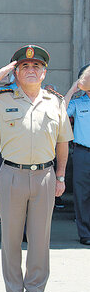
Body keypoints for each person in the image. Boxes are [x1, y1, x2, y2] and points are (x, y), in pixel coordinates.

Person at [0, 45, 73, 292]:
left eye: (37, 66)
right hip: (12, 174)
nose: (31, 70)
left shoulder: (55, 102)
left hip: (45, 176)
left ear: (44, 73)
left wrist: (60, 176)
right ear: (16, 72)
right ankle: (13, 291)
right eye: (25, 66)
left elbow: (62, 143)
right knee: (11, 237)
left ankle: (35, 290)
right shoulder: (2, 99)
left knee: (40, 237)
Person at [64, 64, 90, 246]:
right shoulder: (78, 103)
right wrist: (73, 89)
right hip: (83, 153)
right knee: (82, 194)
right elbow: (60, 112)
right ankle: (85, 232)